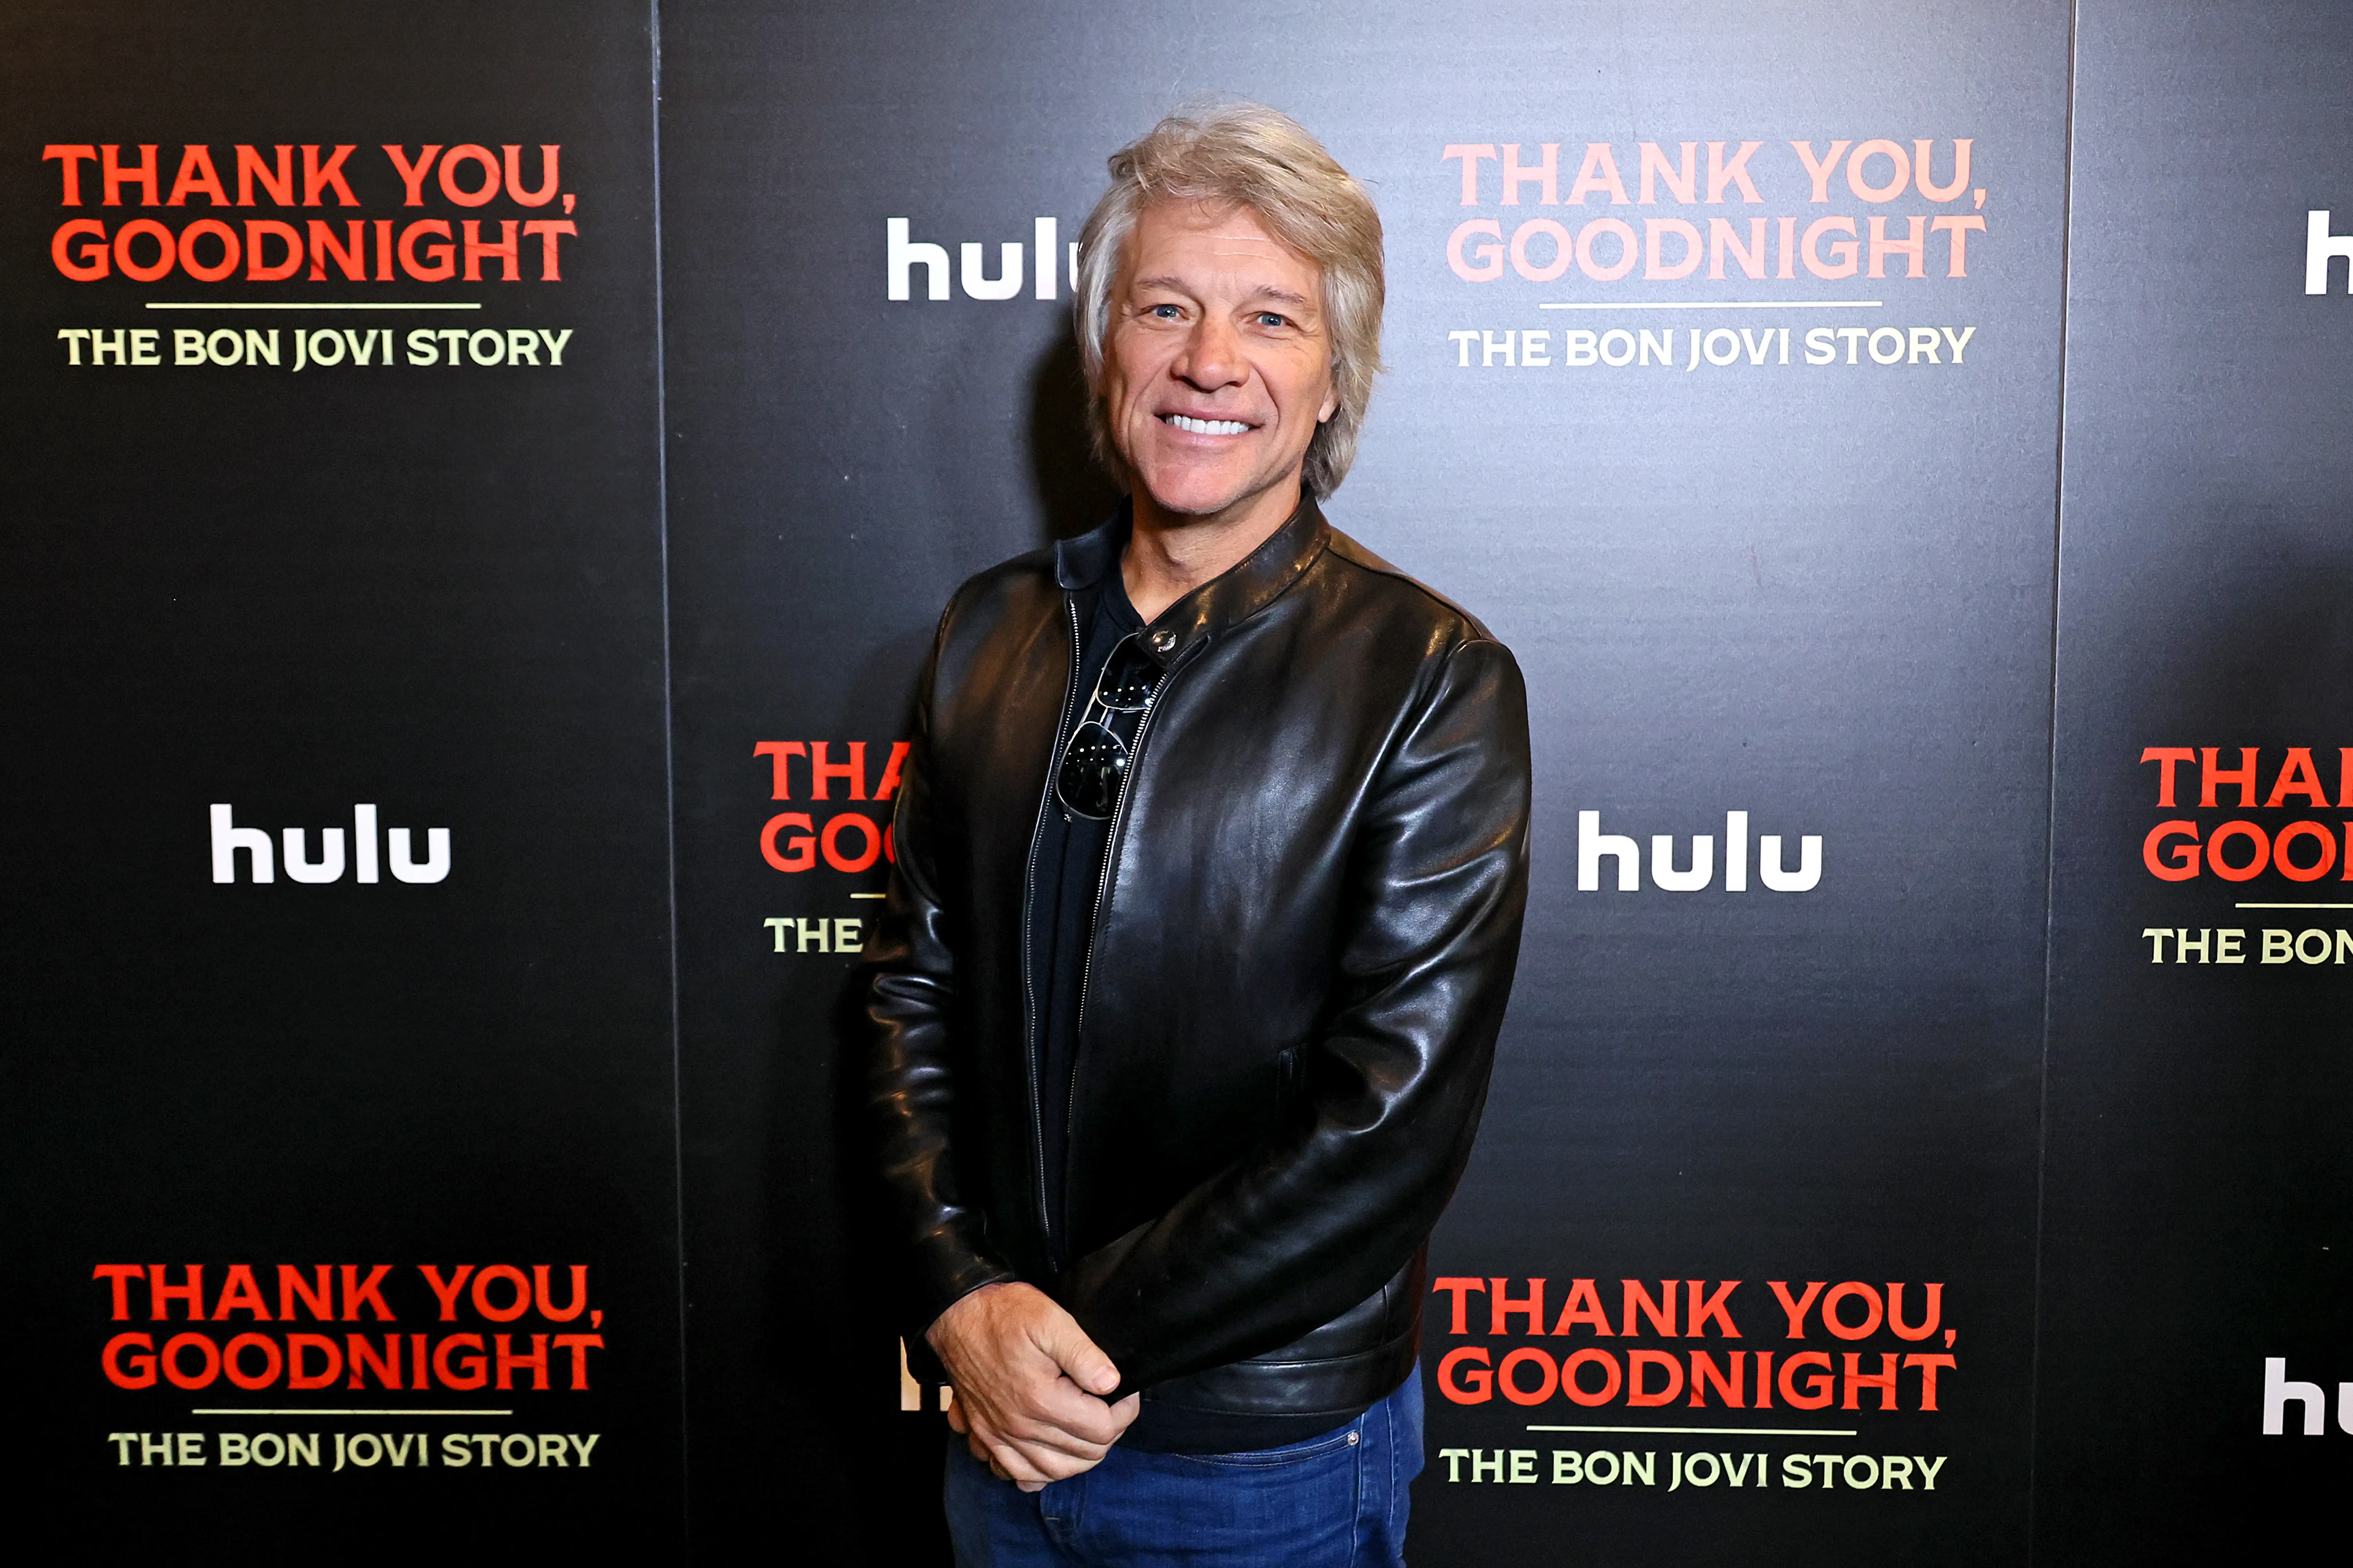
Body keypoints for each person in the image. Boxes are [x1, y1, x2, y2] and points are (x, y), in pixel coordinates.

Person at [864, 104, 1530, 1566]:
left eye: (1270, 318)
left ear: (1333, 375)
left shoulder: (1430, 677)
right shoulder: (991, 629)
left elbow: (1386, 1128)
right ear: (1108, 343)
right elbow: (913, 989)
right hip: (997, 1428)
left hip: (1254, 1459)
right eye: (1166, 305)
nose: (1209, 362)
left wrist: (1062, 1348)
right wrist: (961, 1301)